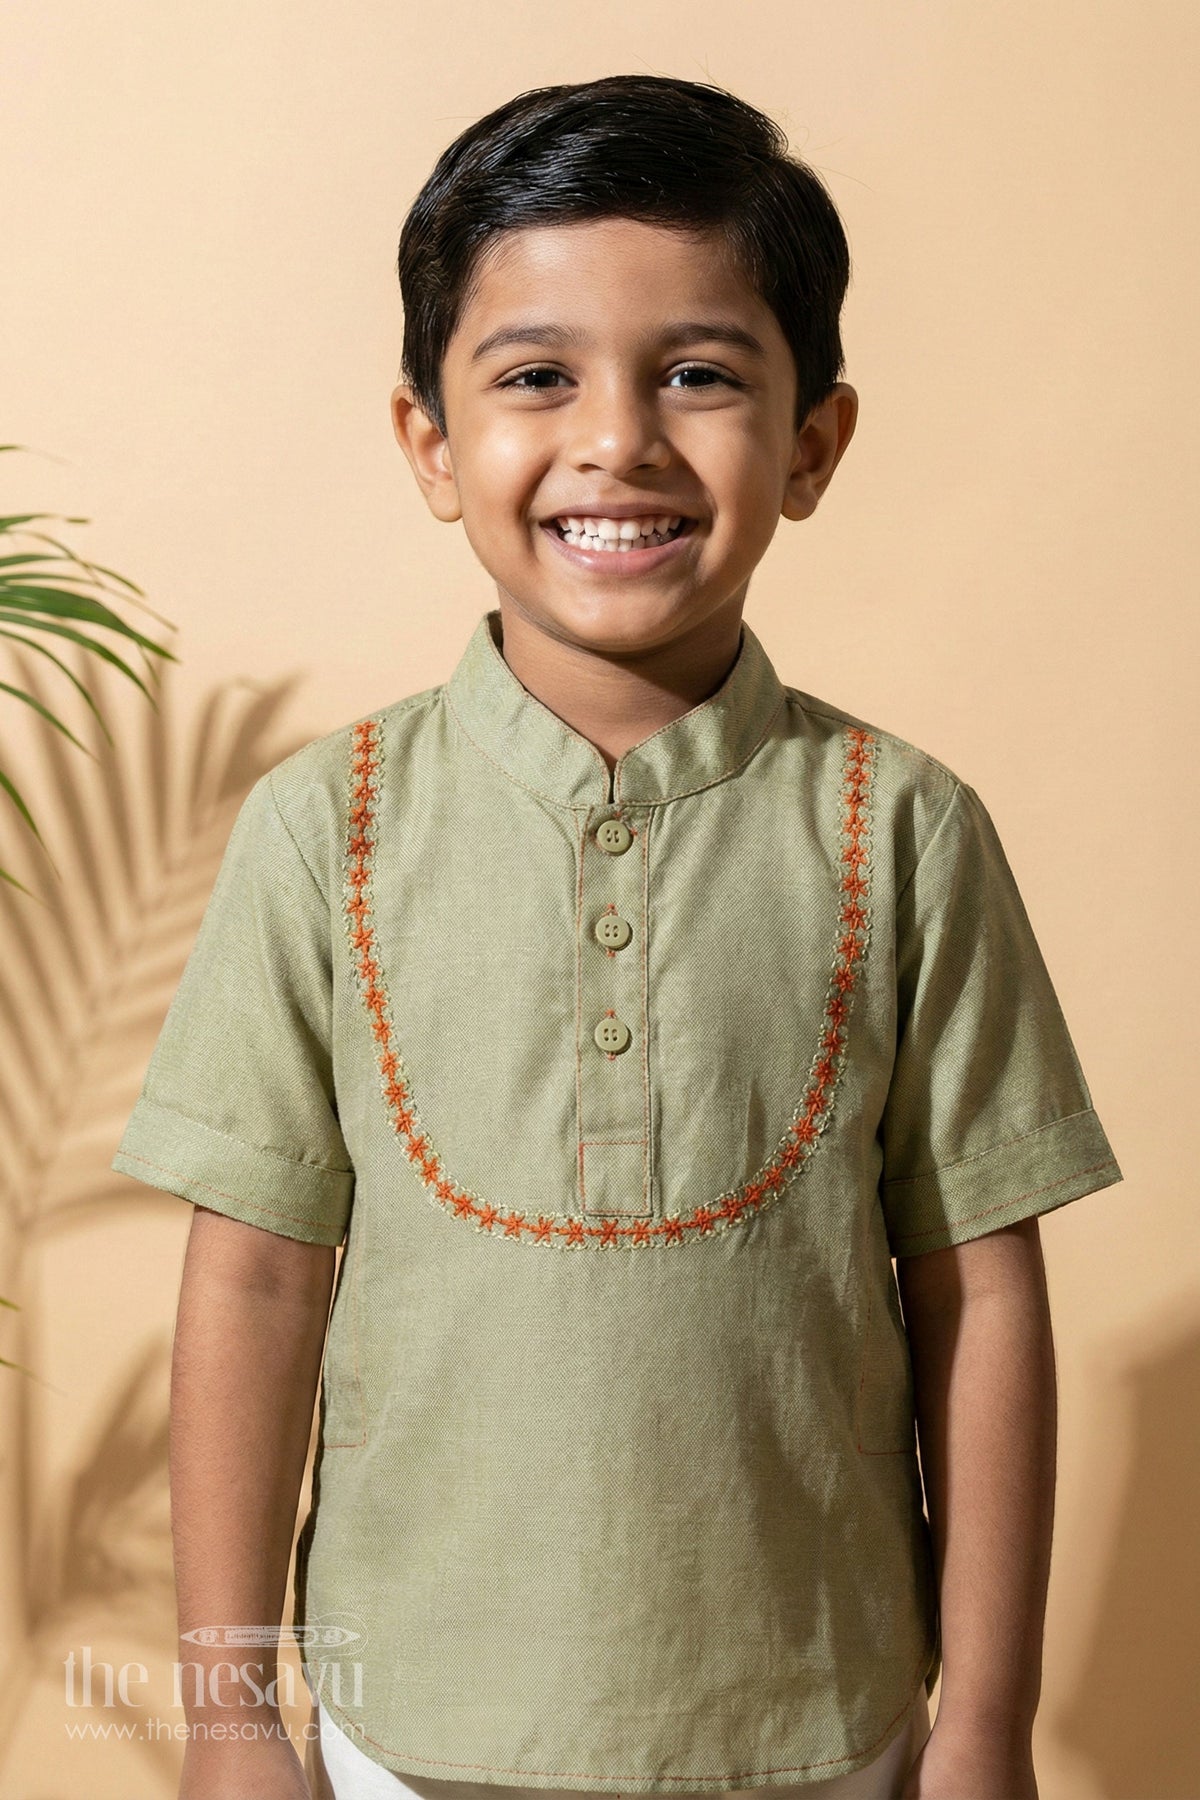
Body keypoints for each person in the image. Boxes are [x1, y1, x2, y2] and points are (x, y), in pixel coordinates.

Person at [111, 74, 1123, 1800]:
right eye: (536, 378)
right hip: (407, 1732)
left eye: (700, 374)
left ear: (813, 443)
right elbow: (258, 1280)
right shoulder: (324, 827)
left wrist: (986, 1724)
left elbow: (980, 1291)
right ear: (431, 443)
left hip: (822, 1728)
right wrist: (228, 1716)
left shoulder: (904, 828)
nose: (619, 441)